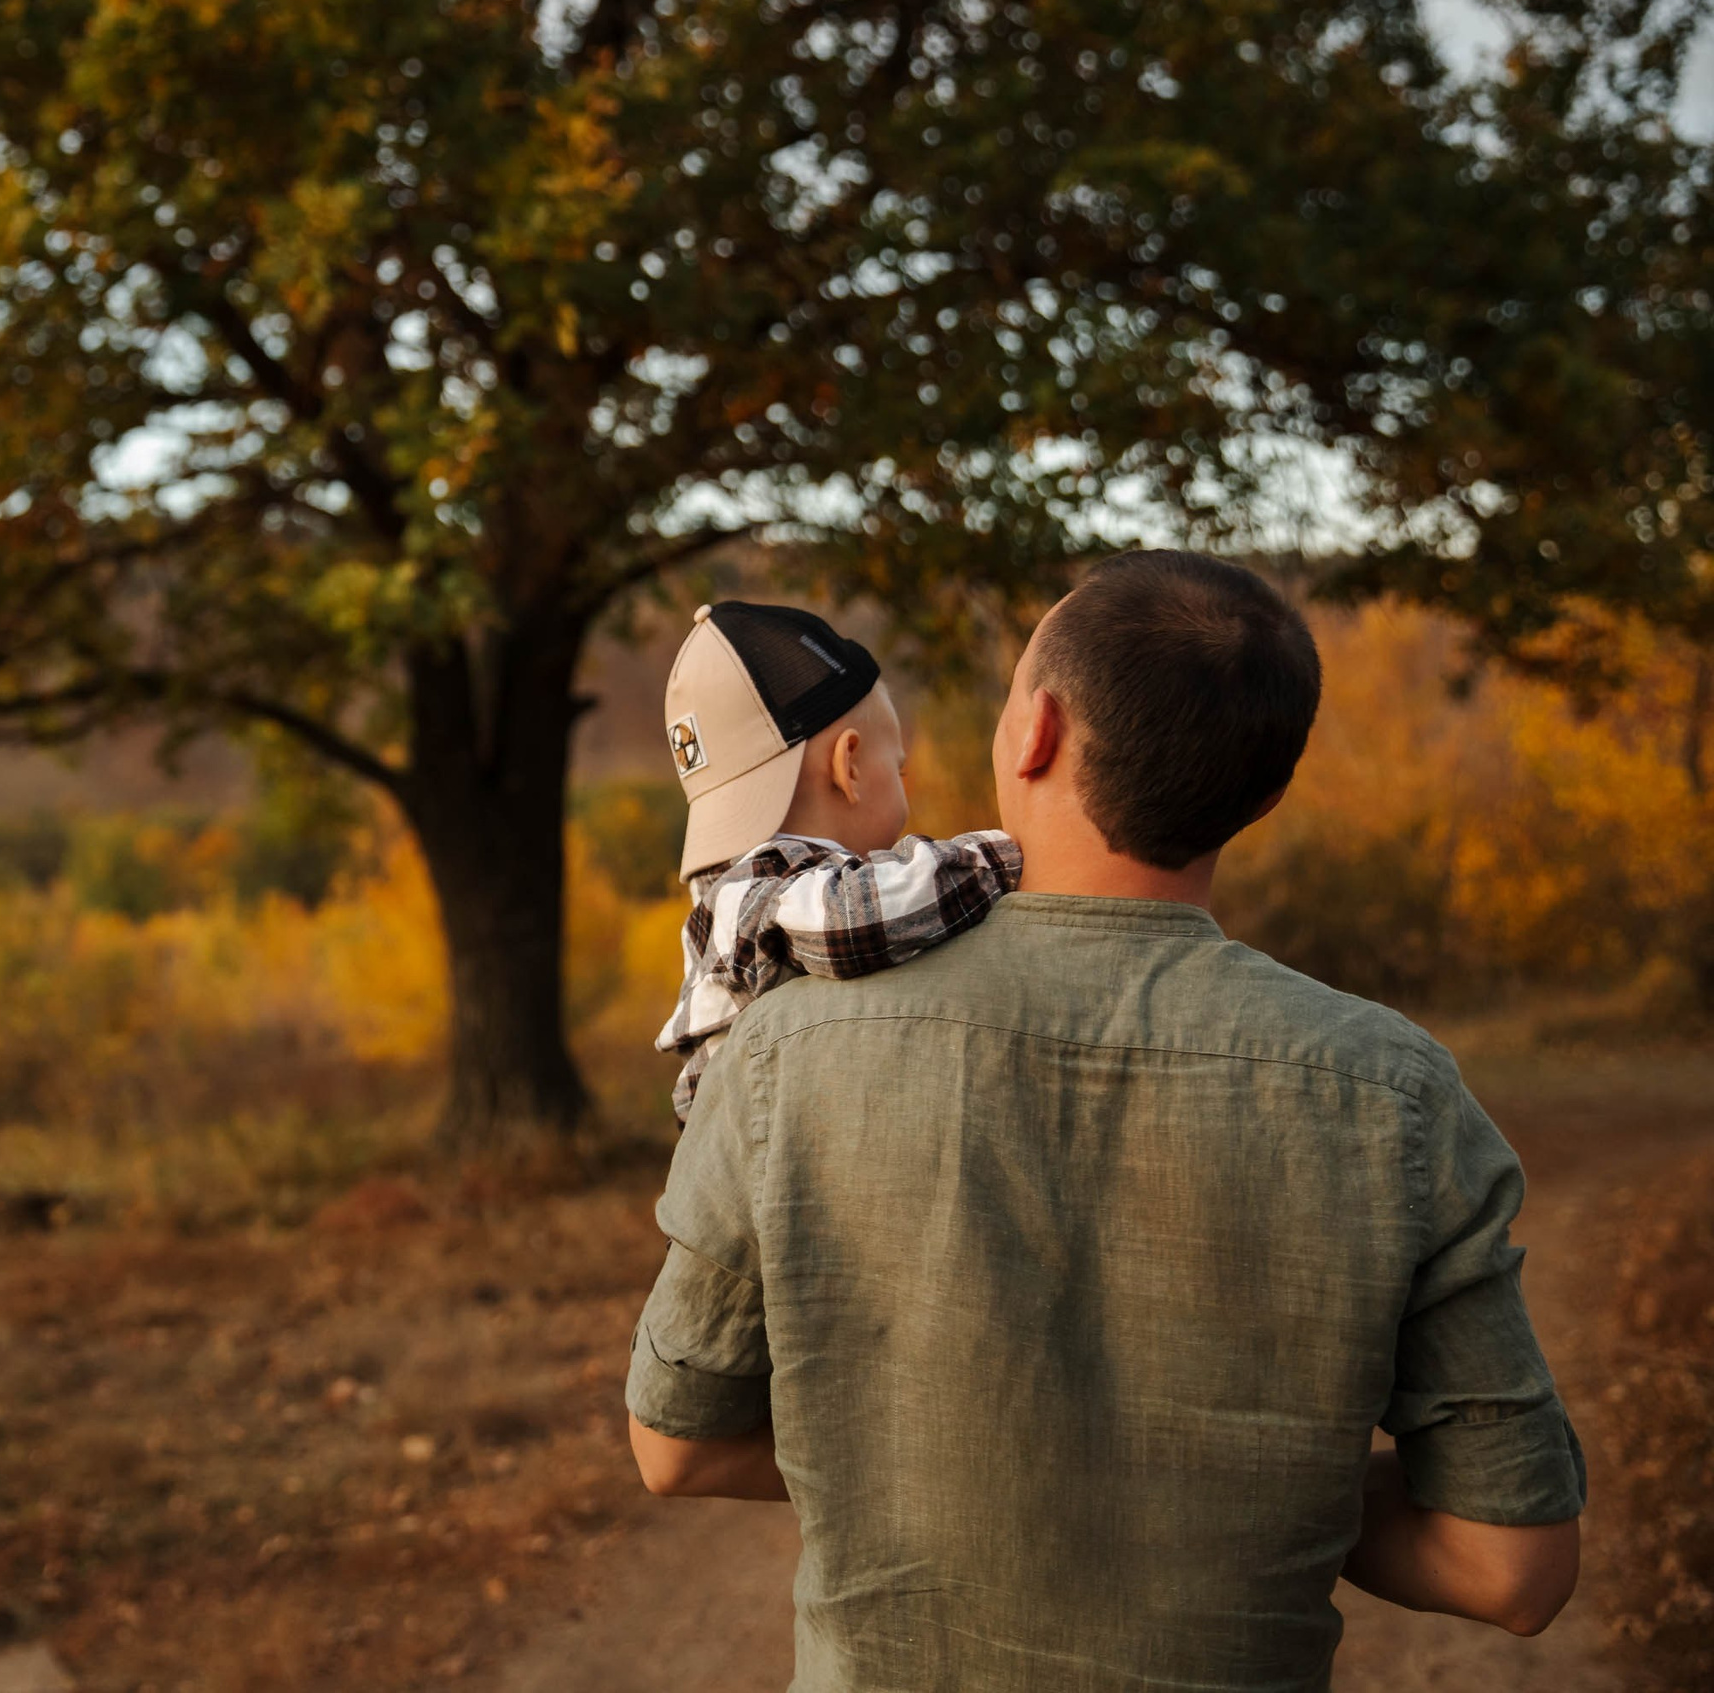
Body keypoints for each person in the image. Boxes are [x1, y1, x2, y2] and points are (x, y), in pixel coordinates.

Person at [624, 551, 1586, 1691]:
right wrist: (1268, 1488)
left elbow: (677, 1444)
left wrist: (920, 1457)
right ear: (1263, 791)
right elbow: (1509, 1565)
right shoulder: (1397, 1094)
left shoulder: (783, 1047)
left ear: (1031, 732)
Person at [652, 600, 1021, 1125]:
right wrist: (1004, 857)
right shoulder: (748, 900)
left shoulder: (729, 893)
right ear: (848, 765)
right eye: (900, 770)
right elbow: (847, 919)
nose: (904, 784)